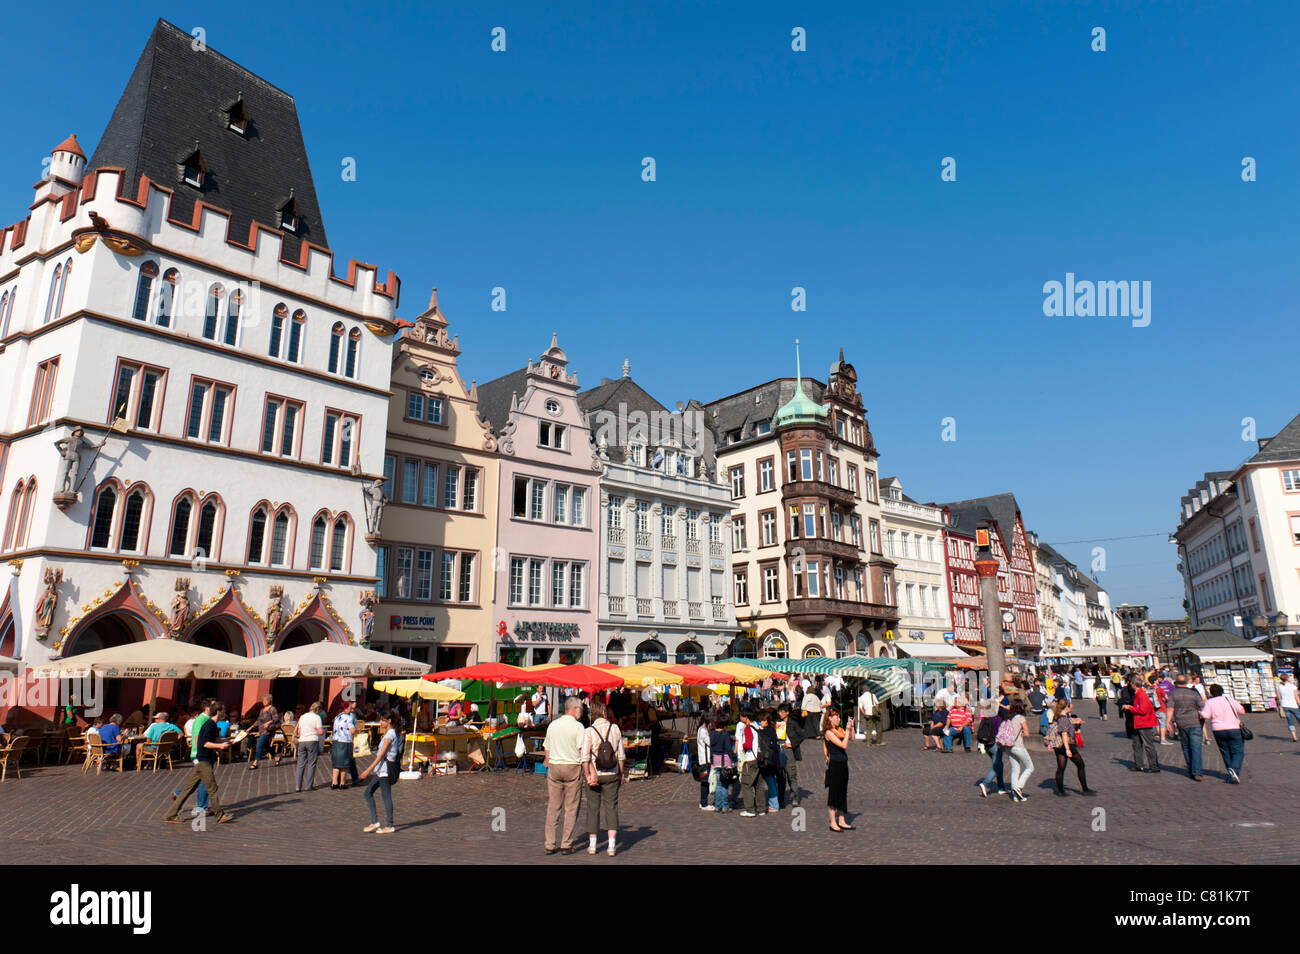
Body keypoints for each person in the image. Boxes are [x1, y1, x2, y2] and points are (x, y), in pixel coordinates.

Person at [165, 701, 235, 824]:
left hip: (203, 759)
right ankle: (220, 815)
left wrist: (223, 745)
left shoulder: (212, 724)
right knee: (212, 788)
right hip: (203, 760)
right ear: (218, 711)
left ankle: (171, 814)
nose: (225, 713)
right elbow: (204, 743)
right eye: (223, 710)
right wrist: (219, 745)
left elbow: (211, 740)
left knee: (189, 789)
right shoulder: (209, 724)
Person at [542, 696, 586, 853]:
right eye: (580, 708)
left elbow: (546, 747)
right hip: (572, 767)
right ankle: (566, 843)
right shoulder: (578, 727)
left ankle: (549, 843)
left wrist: (549, 762)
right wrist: (587, 770)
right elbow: (582, 750)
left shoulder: (553, 725)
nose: (581, 711)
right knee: (571, 807)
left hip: (555, 766)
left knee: (553, 807)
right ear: (575, 709)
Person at [581, 700, 625, 856]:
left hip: (595, 775)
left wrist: (587, 774)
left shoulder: (589, 731)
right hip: (611, 773)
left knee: (593, 808)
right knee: (611, 808)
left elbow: (584, 757)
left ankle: (593, 845)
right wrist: (620, 774)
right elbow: (621, 756)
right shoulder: (615, 729)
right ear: (604, 713)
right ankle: (612, 846)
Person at [359, 709, 403, 833]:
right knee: (368, 793)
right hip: (381, 770)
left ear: (389, 721)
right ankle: (375, 822)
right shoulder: (391, 733)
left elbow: (381, 755)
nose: (380, 723)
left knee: (386, 796)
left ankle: (389, 825)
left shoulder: (390, 735)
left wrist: (367, 770)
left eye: (382, 720)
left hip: (385, 770)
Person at [1048, 700, 1094, 796]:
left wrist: (1076, 720)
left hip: (1059, 746)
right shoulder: (1063, 719)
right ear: (1066, 708)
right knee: (1081, 765)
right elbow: (1064, 734)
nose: (1071, 708)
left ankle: (1060, 791)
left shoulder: (1059, 716)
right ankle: (1085, 789)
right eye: (1070, 707)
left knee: (1061, 768)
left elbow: (1068, 721)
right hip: (1067, 745)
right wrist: (1068, 749)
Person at [1202, 684, 1246, 784]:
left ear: (1211, 693)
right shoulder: (1229, 699)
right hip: (1233, 727)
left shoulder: (1209, 702)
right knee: (1238, 751)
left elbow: (1206, 715)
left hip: (1218, 729)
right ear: (1222, 691)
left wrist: (1200, 712)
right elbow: (1242, 711)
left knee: (1225, 751)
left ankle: (1232, 774)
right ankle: (1234, 768)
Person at [1168, 674, 1206, 781]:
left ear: (1176, 682)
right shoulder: (1193, 693)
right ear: (1186, 682)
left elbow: (1170, 709)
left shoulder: (1173, 694)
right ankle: (1197, 772)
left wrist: (1168, 722)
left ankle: (1191, 768)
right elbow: (1202, 707)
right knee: (1196, 747)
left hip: (1181, 724)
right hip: (1194, 723)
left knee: (1185, 746)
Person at [823, 707, 853, 831]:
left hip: (843, 763)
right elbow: (843, 744)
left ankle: (841, 820)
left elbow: (852, 738)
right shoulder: (828, 732)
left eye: (839, 717)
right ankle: (832, 822)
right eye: (836, 717)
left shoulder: (839, 730)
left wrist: (851, 728)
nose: (838, 719)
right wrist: (846, 731)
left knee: (842, 792)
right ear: (830, 718)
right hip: (834, 764)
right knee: (834, 793)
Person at [996, 700, 1033, 802]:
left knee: (1015, 769)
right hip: (1018, 746)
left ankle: (1015, 796)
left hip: (1008, 746)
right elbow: (1027, 733)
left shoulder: (1008, 718)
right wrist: (1021, 732)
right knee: (1030, 767)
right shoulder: (1020, 718)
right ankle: (1018, 787)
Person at [1123, 676, 1160, 772]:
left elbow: (1143, 710)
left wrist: (1130, 708)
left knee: (1148, 744)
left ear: (1134, 685)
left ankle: (1153, 766)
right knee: (1136, 744)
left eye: (1131, 684)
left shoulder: (1141, 695)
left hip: (1145, 723)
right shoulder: (1138, 694)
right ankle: (1138, 764)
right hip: (1138, 723)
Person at [733, 709, 764, 817]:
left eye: (741, 716)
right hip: (760, 758)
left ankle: (750, 809)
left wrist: (744, 746)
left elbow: (748, 745)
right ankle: (761, 808)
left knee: (746, 784)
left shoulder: (748, 728)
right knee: (759, 785)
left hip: (750, 758)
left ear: (746, 717)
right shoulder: (758, 726)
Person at [974, 694, 1006, 797]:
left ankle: (1001, 787)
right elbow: (1000, 731)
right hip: (995, 744)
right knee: (997, 766)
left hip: (987, 744)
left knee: (998, 765)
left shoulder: (984, 718)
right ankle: (985, 783)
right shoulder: (996, 718)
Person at [295, 701, 324, 793]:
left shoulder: (302, 717)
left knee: (300, 764)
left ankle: (297, 786)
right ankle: (308, 785)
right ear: (318, 709)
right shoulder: (317, 717)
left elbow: (298, 731)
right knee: (311, 764)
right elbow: (320, 732)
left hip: (302, 741)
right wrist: (318, 730)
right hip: (312, 740)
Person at [778, 703, 803, 806]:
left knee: (791, 774)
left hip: (789, 751)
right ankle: (781, 799)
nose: (780, 713)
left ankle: (795, 796)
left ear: (787, 713)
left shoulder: (793, 723)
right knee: (780, 776)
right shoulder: (778, 723)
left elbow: (802, 735)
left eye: (782, 712)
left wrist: (792, 744)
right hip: (780, 749)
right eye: (779, 712)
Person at [708, 716, 735, 812]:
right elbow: (728, 748)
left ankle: (717, 805)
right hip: (725, 760)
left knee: (719, 784)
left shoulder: (712, 733)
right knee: (724, 784)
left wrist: (711, 760)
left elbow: (711, 748)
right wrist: (734, 757)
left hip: (716, 760)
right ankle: (725, 806)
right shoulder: (725, 734)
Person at [330, 700, 359, 790]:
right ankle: (342, 783)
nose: (351, 709)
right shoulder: (349, 718)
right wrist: (357, 730)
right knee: (344, 764)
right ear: (346, 708)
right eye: (350, 707)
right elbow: (352, 730)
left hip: (336, 741)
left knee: (336, 764)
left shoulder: (337, 717)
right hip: (345, 741)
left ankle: (334, 782)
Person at [248, 694, 281, 769]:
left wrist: (268, 722)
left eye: (266, 700)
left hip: (268, 730)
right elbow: (258, 720)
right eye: (263, 700)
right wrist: (251, 727)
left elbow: (276, 719)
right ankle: (276, 757)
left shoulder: (272, 709)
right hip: (261, 730)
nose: (264, 701)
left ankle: (255, 762)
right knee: (266, 746)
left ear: (270, 701)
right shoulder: (262, 710)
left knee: (259, 744)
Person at [758, 711, 781, 812]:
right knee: (771, 781)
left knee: (770, 782)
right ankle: (774, 803)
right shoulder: (771, 730)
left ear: (765, 721)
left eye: (761, 721)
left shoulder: (765, 732)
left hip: (768, 760)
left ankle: (774, 804)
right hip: (773, 759)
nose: (760, 723)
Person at [695, 714, 714, 810]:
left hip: (703, 759)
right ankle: (704, 803)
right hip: (705, 760)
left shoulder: (700, 730)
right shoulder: (703, 731)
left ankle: (703, 801)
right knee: (705, 782)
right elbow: (710, 742)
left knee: (705, 781)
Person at [1278, 674, 1300, 743]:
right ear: (1287, 679)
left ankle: (1294, 737)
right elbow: (1296, 697)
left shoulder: (1279, 686)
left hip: (1285, 705)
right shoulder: (1293, 687)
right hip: (1293, 705)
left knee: (1290, 721)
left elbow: (1279, 697)